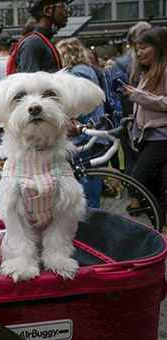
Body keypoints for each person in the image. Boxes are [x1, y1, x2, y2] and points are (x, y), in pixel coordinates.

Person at [125, 27, 167, 233]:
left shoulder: (165, 71)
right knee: (154, 185)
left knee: (137, 183)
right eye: (137, 49)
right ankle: (161, 228)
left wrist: (140, 96)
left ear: (158, 47)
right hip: (146, 136)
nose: (139, 52)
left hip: (161, 137)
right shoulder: (146, 72)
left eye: (144, 47)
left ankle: (160, 227)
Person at [57, 37, 106, 208]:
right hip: (96, 131)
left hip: (85, 133)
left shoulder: (78, 73)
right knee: (92, 178)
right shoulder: (88, 68)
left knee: (86, 180)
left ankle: (90, 221)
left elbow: (79, 106)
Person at [110, 21, 152, 177]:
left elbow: (111, 92)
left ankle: (134, 197)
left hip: (127, 119)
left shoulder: (119, 64)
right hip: (153, 120)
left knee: (131, 159)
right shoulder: (157, 64)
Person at [12, 0, 70, 73]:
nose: (67, 12)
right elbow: (31, 83)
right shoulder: (33, 42)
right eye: (63, 6)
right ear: (48, 11)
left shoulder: (42, 41)